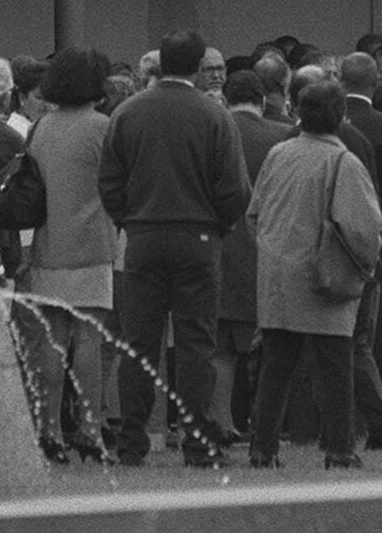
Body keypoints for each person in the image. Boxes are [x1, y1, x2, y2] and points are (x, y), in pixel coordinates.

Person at [99, 28, 249, 466]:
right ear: (200, 67)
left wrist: (128, 218)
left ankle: (132, 440)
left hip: (142, 235)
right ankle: (198, 441)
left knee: (138, 342)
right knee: (195, 343)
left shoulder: (127, 113)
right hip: (198, 236)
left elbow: (109, 180)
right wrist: (219, 224)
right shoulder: (215, 116)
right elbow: (234, 187)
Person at [245, 78, 382, 472]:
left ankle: (263, 448)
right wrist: (368, 263)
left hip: (276, 272)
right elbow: (362, 227)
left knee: (275, 367)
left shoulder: (277, 154)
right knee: (335, 368)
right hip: (323, 276)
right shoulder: (343, 162)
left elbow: (254, 213)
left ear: (298, 111)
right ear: (340, 116)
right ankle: (339, 449)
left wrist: (274, 250)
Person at [23, 49, 116, 463]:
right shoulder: (102, 127)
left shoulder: (40, 127)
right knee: (89, 341)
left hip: (48, 241)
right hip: (93, 240)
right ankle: (91, 428)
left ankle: (49, 428)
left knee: (53, 340)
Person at [331, 53, 382, 452]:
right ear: (375, 81)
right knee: (363, 341)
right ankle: (379, 414)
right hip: (370, 249)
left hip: (326, 251)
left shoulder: (300, 138)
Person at [216, 69, 293, 437]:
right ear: (262, 100)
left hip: (215, 248)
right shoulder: (281, 137)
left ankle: (220, 420)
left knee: (219, 347)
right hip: (266, 249)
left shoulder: (210, 133)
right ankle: (267, 424)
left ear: (225, 98)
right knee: (268, 347)